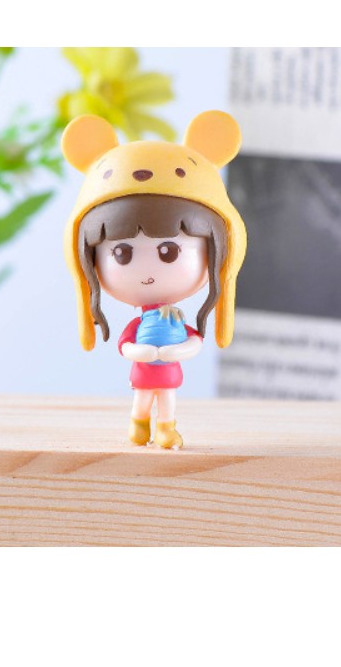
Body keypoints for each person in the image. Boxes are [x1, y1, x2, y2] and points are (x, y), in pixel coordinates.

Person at [62, 111, 247, 449]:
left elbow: (193, 343)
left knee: (167, 401)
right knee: (143, 400)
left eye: (169, 252)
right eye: (122, 253)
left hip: (167, 373)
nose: (148, 272)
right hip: (144, 372)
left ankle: (165, 429)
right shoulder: (143, 325)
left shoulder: (176, 322)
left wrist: (177, 349)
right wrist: (144, 351)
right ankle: (139, 425)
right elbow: (125, 346)